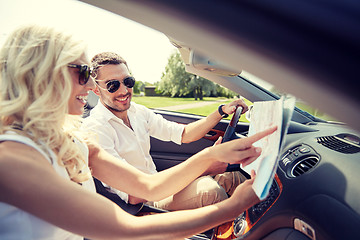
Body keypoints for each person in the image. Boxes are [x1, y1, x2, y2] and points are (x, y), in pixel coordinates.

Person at [0, 24, 276, 240]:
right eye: (83, 73)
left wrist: (210, 156)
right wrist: (232, 207)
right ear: (42, 75)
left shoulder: (74, 142)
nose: (89, 87)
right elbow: (127, 227)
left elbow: (149, 185)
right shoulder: (12, 161)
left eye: (128, 81)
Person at [82, 52, 250, 210]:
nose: (124, 90)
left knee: (232, 176)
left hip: (160, 184)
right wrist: (206, 164)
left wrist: (221, 111)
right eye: (113, 85)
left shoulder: (138, 112)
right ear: (96, 90)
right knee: (209, 191)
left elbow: (183, 134)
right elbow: (135, 195)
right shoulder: (96, 129)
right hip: (144, 201)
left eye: (128, 81)